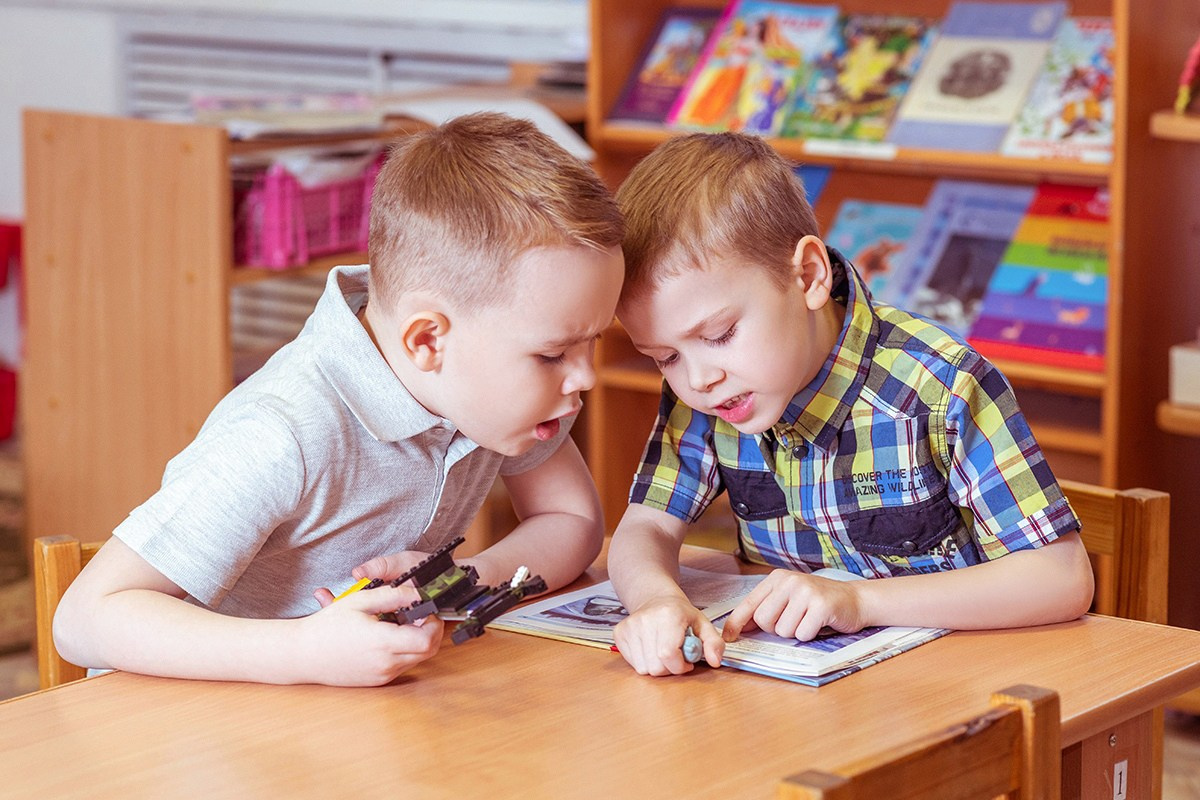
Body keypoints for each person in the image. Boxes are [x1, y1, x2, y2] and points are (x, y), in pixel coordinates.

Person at [53, 112, 626, 687]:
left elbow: (571, 520)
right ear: (428, 341)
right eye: (553, 354)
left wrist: (459, 578)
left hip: (334, 707)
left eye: (592, 342)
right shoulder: (283, 432)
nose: (584, 377)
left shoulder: (496, 399)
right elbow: (84, 619)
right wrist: (304, 651)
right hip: (187, 714)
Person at [606, 132, 1094, 677]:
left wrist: (859, 601)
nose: (699, 379)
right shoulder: (711, 396)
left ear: (809, 276)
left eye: (719, 335)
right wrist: (656, 600)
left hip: (962, 683)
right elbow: (645, 527)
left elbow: (1061, 577)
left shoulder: (941, 386)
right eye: (666, 357)